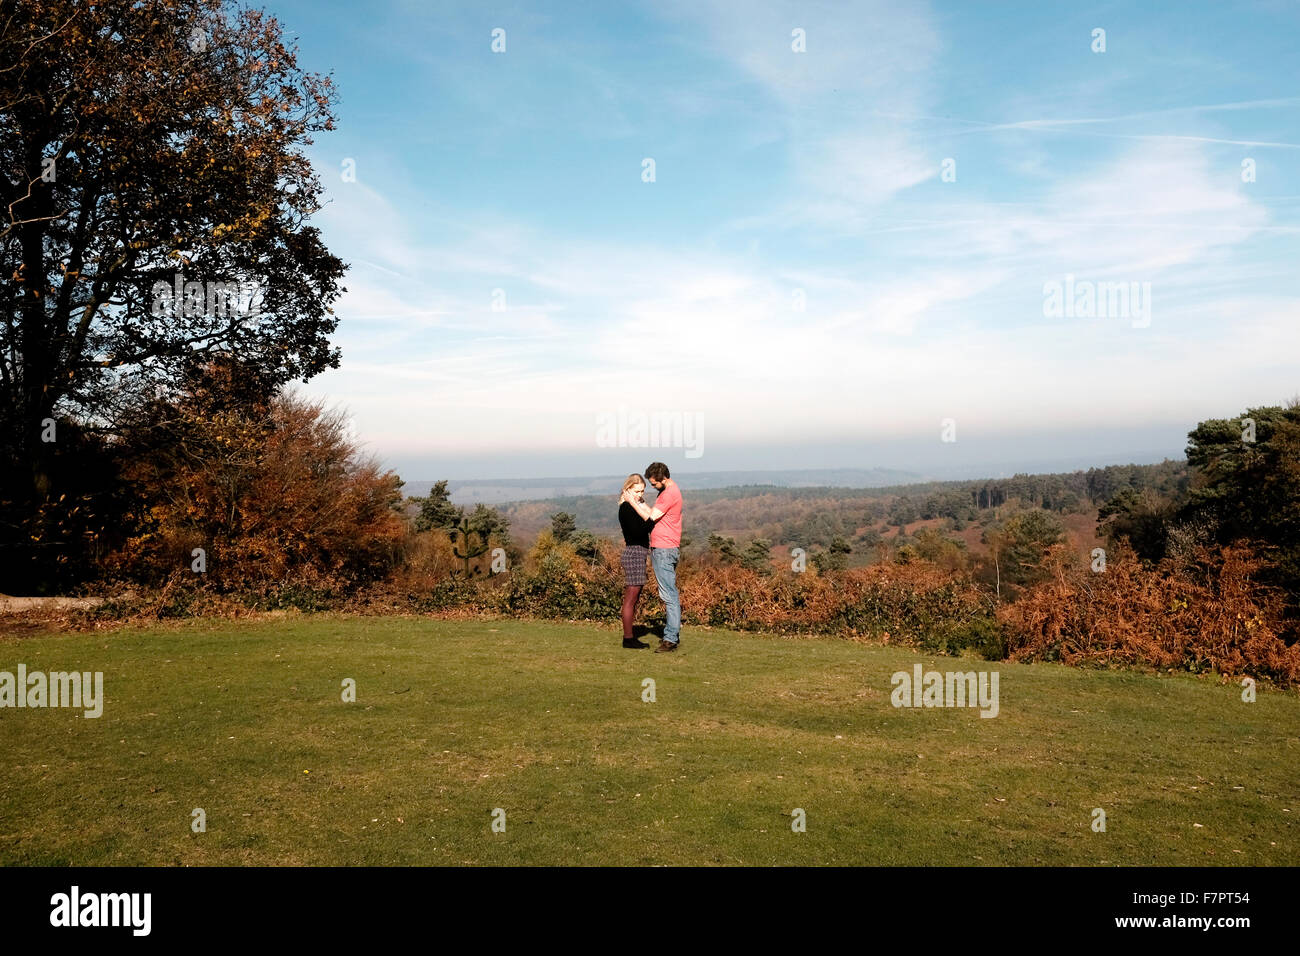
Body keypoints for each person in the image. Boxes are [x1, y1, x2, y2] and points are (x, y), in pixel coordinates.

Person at [621, 462, 682, 653]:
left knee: (668, 595)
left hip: (664, 549)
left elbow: (650, 520)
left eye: (653, 484)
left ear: (663, 479)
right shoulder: (669, 492)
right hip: (658, 549)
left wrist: (633, 502)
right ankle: (632, 637)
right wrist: (636, 503)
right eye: (638, 491)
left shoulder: (668, 494)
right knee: (660, 594)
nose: (651, 488)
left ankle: (670, 638)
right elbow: (649, 517)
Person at [617, 474, 655, 649]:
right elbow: (644, 529)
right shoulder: (626, 508)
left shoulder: (632, 506)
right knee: (631, 599)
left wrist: (637, 503)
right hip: (634, 554)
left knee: (633, 598)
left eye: (642, 491)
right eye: (636, 491)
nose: (639, 494)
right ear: (628, 490)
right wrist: (633, 503)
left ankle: (629, 637)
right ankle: (628, 638)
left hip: (638, 553)